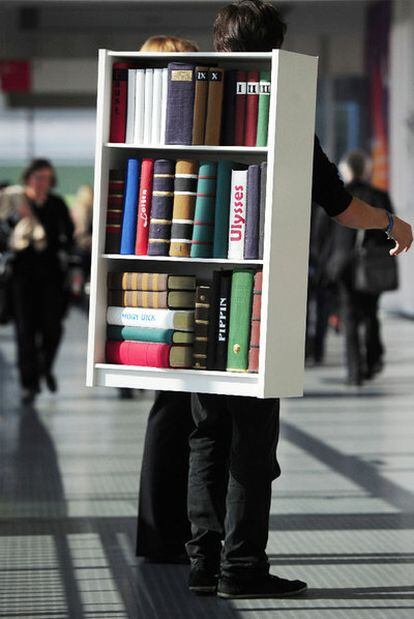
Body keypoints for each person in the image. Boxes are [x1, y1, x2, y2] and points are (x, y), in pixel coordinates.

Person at [184, 0, 412, 600]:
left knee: (208, 432)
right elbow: (339, 205)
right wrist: (392, 222)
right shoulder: (279, 112)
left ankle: (203, 563)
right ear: (273, 50)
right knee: (252, 437)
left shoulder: (185, 109)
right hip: (255, 295)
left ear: (220, 44)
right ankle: (242, 567)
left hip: (195, 288)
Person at [135, 35, 199, 563]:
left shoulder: (138, 136)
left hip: (153, 276)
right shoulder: (169, 140)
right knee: (175, 406)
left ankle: (165, 531)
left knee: (171, 406)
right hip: (172, 278)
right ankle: (166, 533)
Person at [1, 159, 74, 404]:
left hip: (51, 275)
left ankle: (44, 367)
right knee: (25, 330)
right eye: (38, 177)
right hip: (21, 276)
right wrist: (18, 220)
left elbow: (69, 235)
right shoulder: (14, 202)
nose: (43, 183)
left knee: (53, 327)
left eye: (47, 178)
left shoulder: (56, 203)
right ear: (28, 178)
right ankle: (28, 383)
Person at [327, 149, 395, 385]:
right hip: (371, 267)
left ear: (347, 170)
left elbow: (323, 232)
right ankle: (373, 360)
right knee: (370, 314)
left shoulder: (338, 196)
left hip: (344, 266)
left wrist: (326, 262)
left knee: (350, 317)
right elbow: (390, 231)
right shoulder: (379, 196)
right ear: (366, 170)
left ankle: (354, 372)